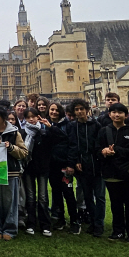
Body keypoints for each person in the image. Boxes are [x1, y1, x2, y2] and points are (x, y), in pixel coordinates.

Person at [98, 103, 129, 243]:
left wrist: (117, 150)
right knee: (116, 204)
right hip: (111, 173)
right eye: (113, 112)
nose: (116, 115)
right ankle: (117, 231)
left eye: (120, 112)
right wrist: (103, 152)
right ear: (109, 114)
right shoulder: (104, 131)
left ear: (126, 115)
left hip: (128, 174)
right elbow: (96, 150)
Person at [0, 106, 28, 240]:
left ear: (3, 118)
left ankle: (10, 229)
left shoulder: (15, 133)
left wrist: (10, 147)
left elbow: (23, 152)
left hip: (11, 171)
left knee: (10, 202)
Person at [67, 99, 105, 237]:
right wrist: (75, 161)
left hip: (97, 165)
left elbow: (99, 145)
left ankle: (99, 224)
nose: (79, 112)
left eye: (81, 109)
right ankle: (93, 222)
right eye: (76, 109)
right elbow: (72, 145)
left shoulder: (96, 125)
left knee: (100, 197)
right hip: (82, 166)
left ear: (87, 109)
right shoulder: (72, 126)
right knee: (88, 197)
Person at [47, 101, 79, 233]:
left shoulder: (68, 125)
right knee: (56, 193)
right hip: (52, 165)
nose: (53, 112)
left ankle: (74, 221)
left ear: (60, 112)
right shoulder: (46, 124)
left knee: (68, 193)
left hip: (64, 165)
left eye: (56, 110)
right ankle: (60, 219)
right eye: (51, 110)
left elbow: (72, 144)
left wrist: (71, 164)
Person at [21, 108, 53, 237]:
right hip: (29, 168)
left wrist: (50, 128)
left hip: (42, 169)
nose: (31, 119)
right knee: (30, 197)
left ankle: (45, 225)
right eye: (28, 117)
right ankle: (31, 223)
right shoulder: (23, 133)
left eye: (34, 116)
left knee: (43, 197)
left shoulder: (44, 132)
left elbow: (56, 142)